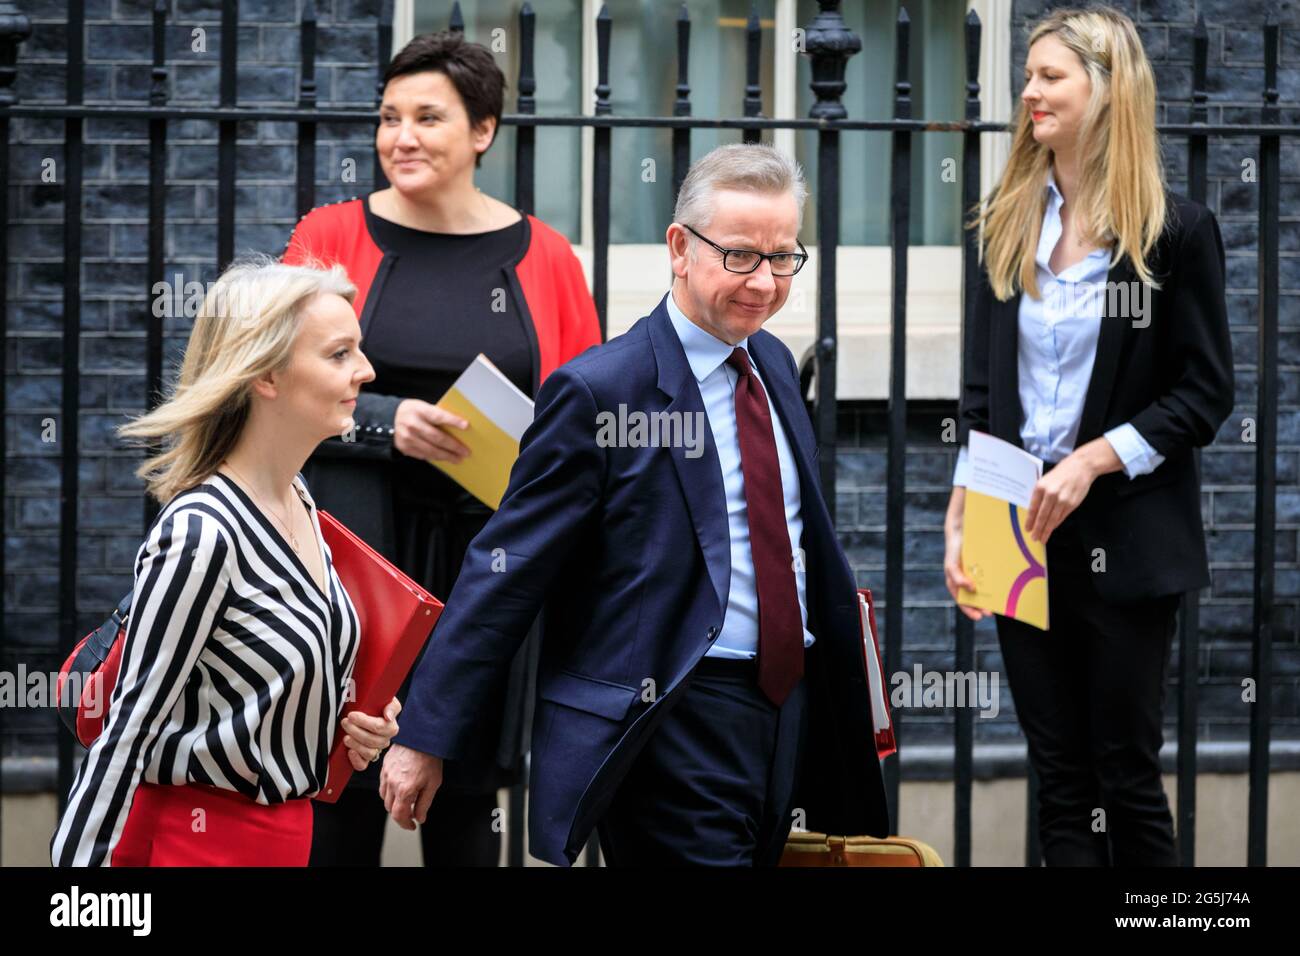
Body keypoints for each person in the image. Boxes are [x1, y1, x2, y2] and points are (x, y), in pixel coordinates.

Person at [379, 142, 891, 867]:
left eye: (784, 258)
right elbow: (506, 568)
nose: (765, 282)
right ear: (680, 248)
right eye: (741, 256)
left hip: (785, 712)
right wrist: (426, 734)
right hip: (673, 720)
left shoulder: (772, 362)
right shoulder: (600, 391)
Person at [282, 30, 600, 868]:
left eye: (428, 117)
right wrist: (389, 422)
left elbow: (584, 420)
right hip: (348, 563)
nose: (402, 137)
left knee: (465, 809)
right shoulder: (329, 235)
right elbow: (272, 385)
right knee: (338, 794)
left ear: (483, 132)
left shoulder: (548, 257)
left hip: (485, 567)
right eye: (389, 117)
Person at [942, 6, 1233, 866]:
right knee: (1059, 775)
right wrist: (962, 514)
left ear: (1108, 91)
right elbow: (983, 389)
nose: (1029, 91)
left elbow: (1206, 394)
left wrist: (1095, 461)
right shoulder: (1006, 220)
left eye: (1050, 76)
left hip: (1127, 538)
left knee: (1124, 774)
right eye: (1028, 75)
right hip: (1013, 528)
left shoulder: (1172, 234)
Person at [50, 258, 402, 866]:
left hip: (286, 837)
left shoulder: (298, 500)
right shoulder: (202, 532)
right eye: (339, 354)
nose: (365, 371)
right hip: (195, 845)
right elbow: (127, 729)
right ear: (265, 374)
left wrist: (345, 718)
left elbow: (251, 680)